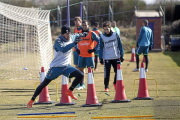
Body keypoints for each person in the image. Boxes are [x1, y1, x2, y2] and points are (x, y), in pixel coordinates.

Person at [27, 25, 85, 108]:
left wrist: (80, 41)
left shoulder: (71, 37)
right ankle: (32, 100)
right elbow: (63, 49)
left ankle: (70, 90)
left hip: (66, 67)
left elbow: (77, 37)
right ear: (63, 34)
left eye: (69, 33)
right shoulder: (58, 41)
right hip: (56, 67)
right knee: (44, 84)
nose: (68, 35)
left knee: (80, 75)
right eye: (66, 34)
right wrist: (74, 44)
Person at [99, 21, 124, 92]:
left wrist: (122, 55)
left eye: (107, 29)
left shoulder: (115, 35)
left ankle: (115, 83)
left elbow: (120, 45)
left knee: (118, 72)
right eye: (105, 29)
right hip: (107, 57)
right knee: (107, 73)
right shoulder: (102, 37)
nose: (106, 31)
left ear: (110, 28)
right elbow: (100, 48)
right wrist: (101, 58)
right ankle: (106, 86)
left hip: (116, 56)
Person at [75, 20, 100, 90]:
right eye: (83, 25)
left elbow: (99, 41)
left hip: (89, 56)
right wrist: (77, 49)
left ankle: (91, 84)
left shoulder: (91, 33)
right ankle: (81, 84)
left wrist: (94, 49)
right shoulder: (78, 33)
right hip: (81, 55)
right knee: (80, 70)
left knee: (90, 70)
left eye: (85, 25)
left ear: (88, 26)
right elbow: (74, 42)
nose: (84, 27)